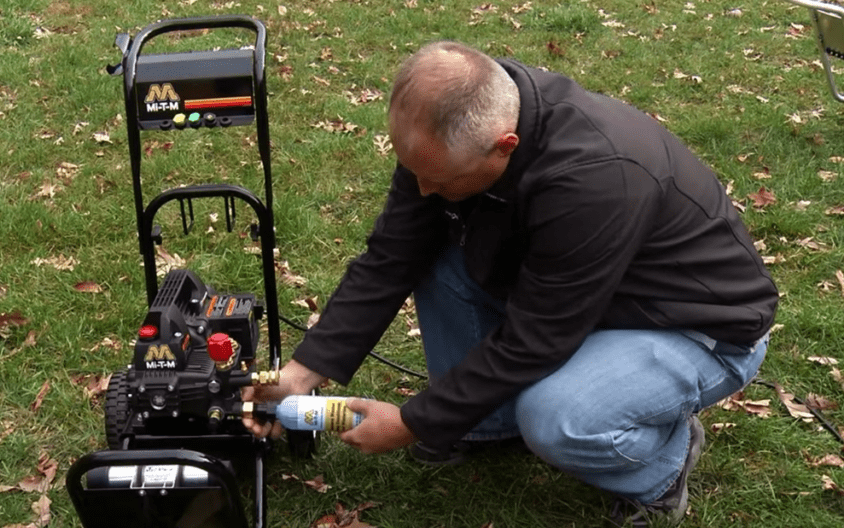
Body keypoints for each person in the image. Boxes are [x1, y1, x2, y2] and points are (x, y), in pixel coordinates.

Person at [243, 41, 778, 527]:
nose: (423, 188)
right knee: (431, 252)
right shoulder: (448, 132)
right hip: (580, 293)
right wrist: (298, 374)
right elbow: (390, 257)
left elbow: (536, 340)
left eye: (439, 178)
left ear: (505, 145)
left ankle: (662, 466)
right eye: (414, 170)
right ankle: (487, 426)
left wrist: (411, 423)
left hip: (694, 324)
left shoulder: (596, 179)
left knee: (556, 417)